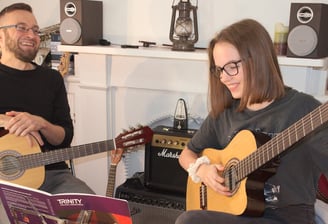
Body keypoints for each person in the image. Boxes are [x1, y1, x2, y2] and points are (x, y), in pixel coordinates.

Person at [175, 19, 328, 224]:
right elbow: (187, 154)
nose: (224, 78)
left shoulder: (304, 110)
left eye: (231, 66)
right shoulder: (224, 114)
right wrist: (202, 170)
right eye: (219, 69)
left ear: (258, 59)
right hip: (233, 214)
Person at [0, 3, 94, 194]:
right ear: (0, 36)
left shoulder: (51, 79)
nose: (31, 35)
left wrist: (41, 123)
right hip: (4, 182)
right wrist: (8, 121)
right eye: (21, 28)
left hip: (53, 176)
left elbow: (65, 137)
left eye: (35, 30)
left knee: (94, 212)